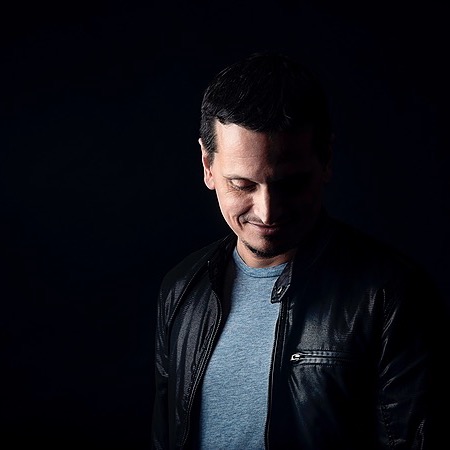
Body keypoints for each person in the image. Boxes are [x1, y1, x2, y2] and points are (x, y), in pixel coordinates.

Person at [151, 52, 446, 450]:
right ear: (207, 165)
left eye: (289, 184)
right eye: (242, 184)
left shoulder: (391, 296)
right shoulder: (182, 290)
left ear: (326, 160)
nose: (267, 211)